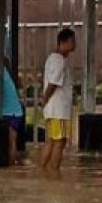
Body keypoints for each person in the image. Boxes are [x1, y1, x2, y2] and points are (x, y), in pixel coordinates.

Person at [40, 28, 77, 172]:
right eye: (72, 41)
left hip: (53, 109)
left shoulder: (52, 58)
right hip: (59, 109)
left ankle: (44, 170)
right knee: (59, 142)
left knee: (52, 140)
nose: (75, 44)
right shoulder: (60, 61)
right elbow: (53, 83)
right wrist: (45, 98)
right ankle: (54, 170)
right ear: (64, 42)